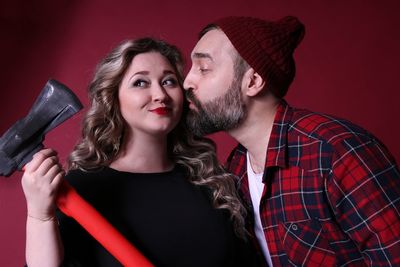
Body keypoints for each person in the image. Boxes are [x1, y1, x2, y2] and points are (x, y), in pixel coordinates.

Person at [21, 37, 259, 267]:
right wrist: (39, 216)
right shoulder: (81, 192)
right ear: (113, 98)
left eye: (168, 81)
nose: (160, 95)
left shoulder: (212, 183)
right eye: (140, 83)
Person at [183, 16, 400, 266]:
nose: (188, 81)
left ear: (253, 82)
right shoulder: (237, 169)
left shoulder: (336, 152)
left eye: (203, 68)